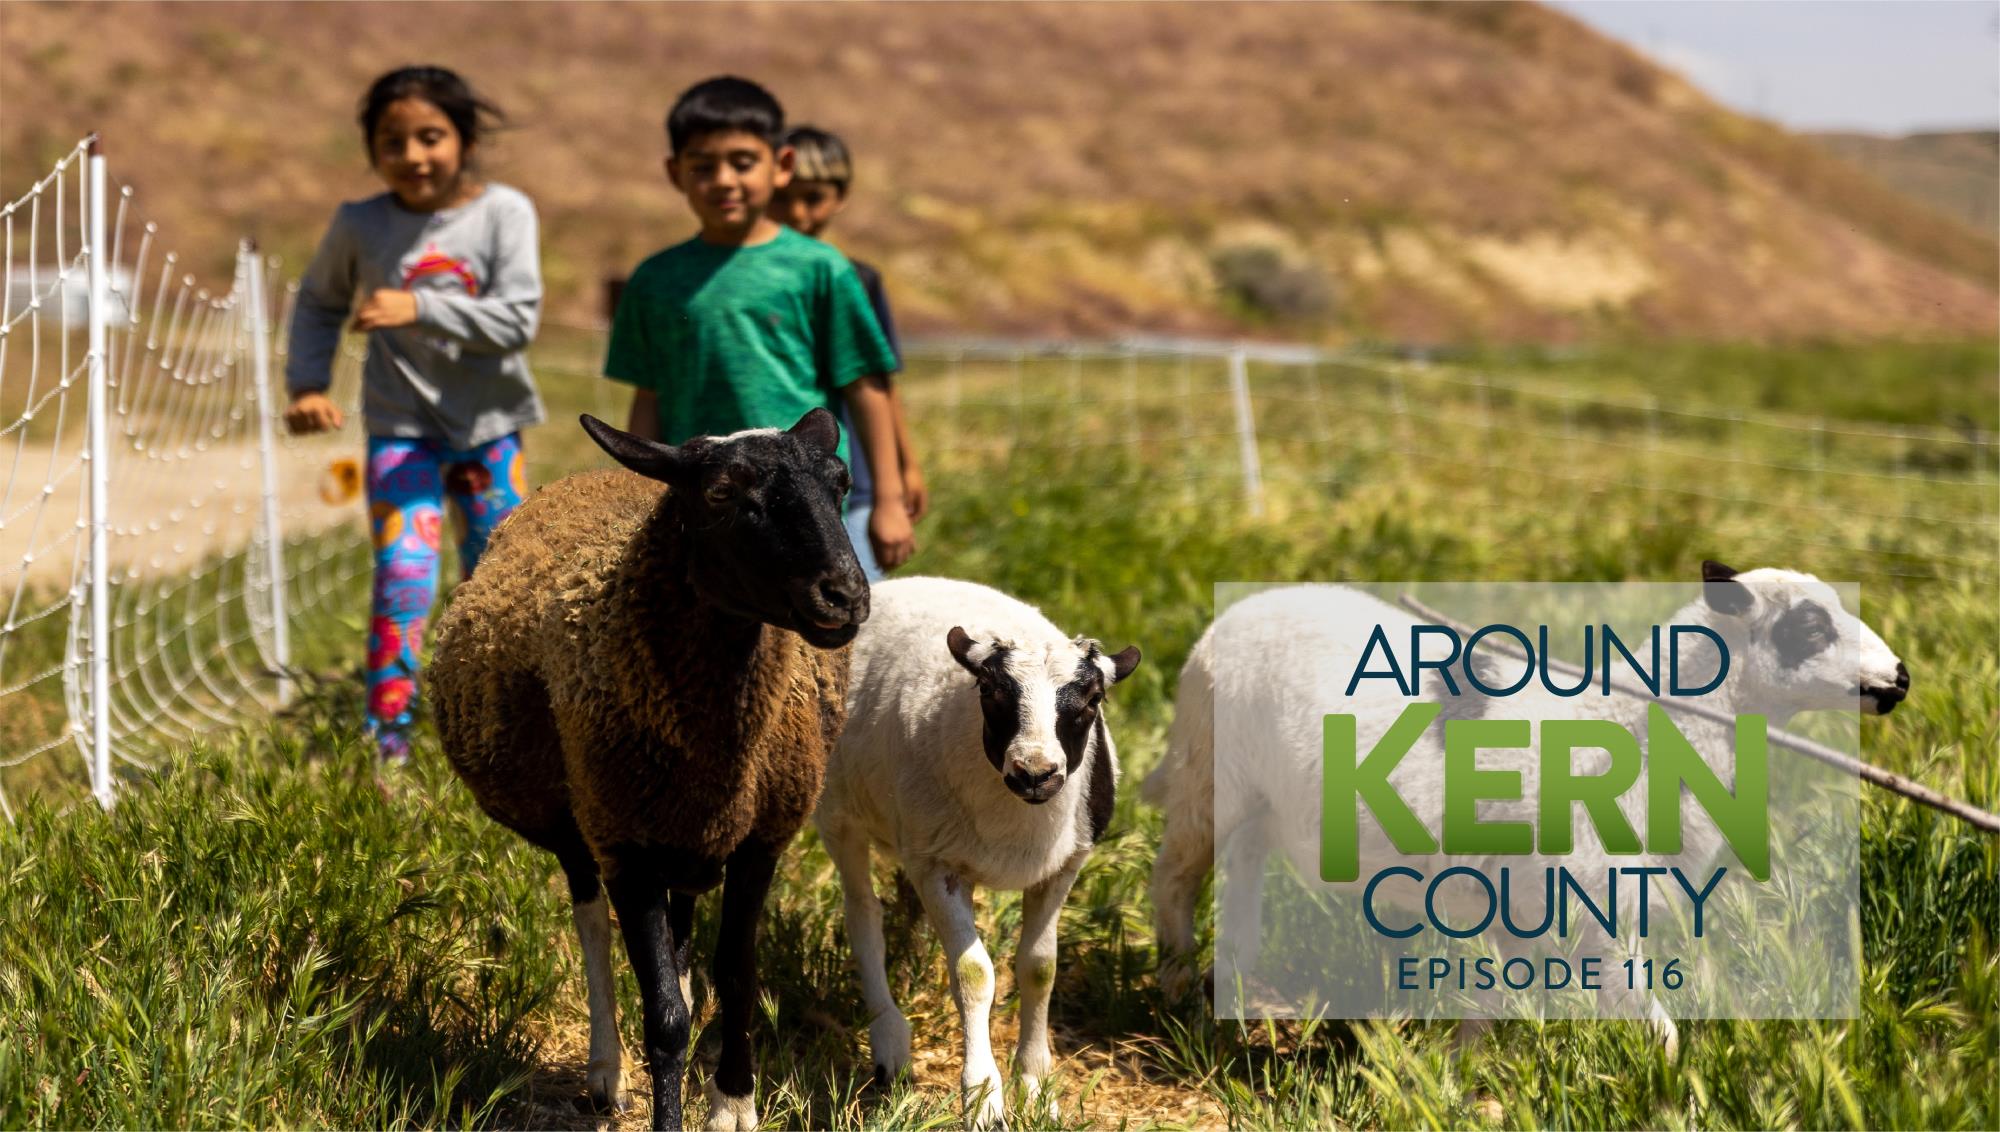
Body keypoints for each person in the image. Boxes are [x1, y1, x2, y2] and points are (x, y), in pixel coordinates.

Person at [284, 65, 545, 764]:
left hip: (491, 435)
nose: (413, 156)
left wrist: (419, 304)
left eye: (431, 136)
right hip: (403, 436)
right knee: (403, 578)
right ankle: (387, 746)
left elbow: (517, 321)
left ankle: (507, 732)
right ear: (372, 150)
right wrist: (307, 384)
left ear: (464, 139)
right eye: (392, 142)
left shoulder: (504, 215)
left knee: (501, 584)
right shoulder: (360, 224)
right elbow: (317, 303)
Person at [605, 76, 913, 573]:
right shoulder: (655, 279)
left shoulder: (821, 268)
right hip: (705, 499)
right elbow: (649, 397)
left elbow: (866, 387)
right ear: (674, 172)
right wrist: (634, 496)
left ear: (782, 165)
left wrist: (890, 503)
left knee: (833, 623)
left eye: (742, 163)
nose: (724, 180)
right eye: (703, 166)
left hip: (806, 496)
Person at [772, 125, 929, 580]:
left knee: (857, 600)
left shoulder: (856, 280)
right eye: (784, 199)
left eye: (814, 197)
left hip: (850, 481)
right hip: (775, 474)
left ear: (840, 197)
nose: (798, 213)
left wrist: (902, 474)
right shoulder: (750, 284)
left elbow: (877, 384)